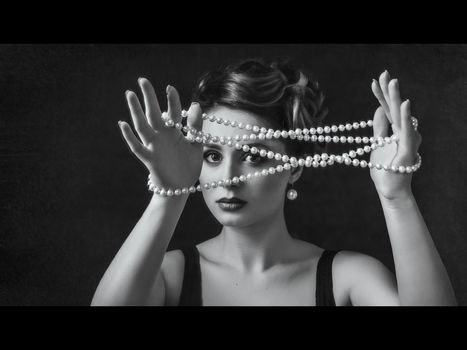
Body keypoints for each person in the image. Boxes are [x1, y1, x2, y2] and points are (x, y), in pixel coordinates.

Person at [91, 58, 457, 306]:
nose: (229, 179)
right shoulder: (171, 273)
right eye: (211, 156)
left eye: (255, 155)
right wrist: (168, 196)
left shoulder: (347, 277)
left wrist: (398, 199)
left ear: (294, 167)